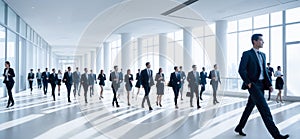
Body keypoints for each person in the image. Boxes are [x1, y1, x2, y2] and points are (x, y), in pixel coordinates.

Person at [234, 34, 289, 139]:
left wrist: (269, 84)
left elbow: (265, 71)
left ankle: (239, 127)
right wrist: (248, 82)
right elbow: (241, 69)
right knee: (265, 109)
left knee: (249, 108)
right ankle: (276, 135)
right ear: (255, 41)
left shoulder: (263, 55)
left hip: (261, 85)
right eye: (261, 40)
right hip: (253, 85)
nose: (263, 42)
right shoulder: (247, 54)